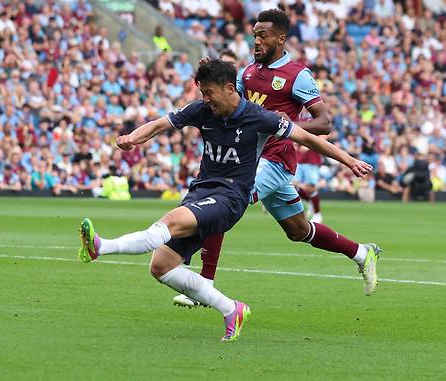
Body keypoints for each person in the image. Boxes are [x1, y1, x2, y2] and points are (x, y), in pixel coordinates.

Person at [78, 60, 373, 341]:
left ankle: (101, 247)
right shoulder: (202, 110)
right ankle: (231, 309)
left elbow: (310, 139)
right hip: (200, 192)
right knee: (161, 267)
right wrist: (132, 137)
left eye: (209, 93)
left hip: (230, 198)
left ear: (229, 89)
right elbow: (159, 125)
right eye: (202, 93)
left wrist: (348, 161)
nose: (206, 99)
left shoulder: (259, 117)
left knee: (168, 223)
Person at [173, 10, 382, 308]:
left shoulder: (297, 75)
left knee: (224, 201)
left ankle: (204, 285)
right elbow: (233, 104)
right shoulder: (247, 73)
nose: (256, 41)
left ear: (280, 39)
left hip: (275, 159)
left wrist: (290, 125)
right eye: (255, 35)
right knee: (298, 230)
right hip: (251, 157)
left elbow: (324, 123)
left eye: (263, 35)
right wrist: (214, 79)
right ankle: (362, 253)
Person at [296, 146, 323, 222]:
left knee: (310, 188)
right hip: (298, 157)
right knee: (292, 184)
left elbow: (324, 136)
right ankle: (310, 201)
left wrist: (309, 144)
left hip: (311, 159)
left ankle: (317, 214)